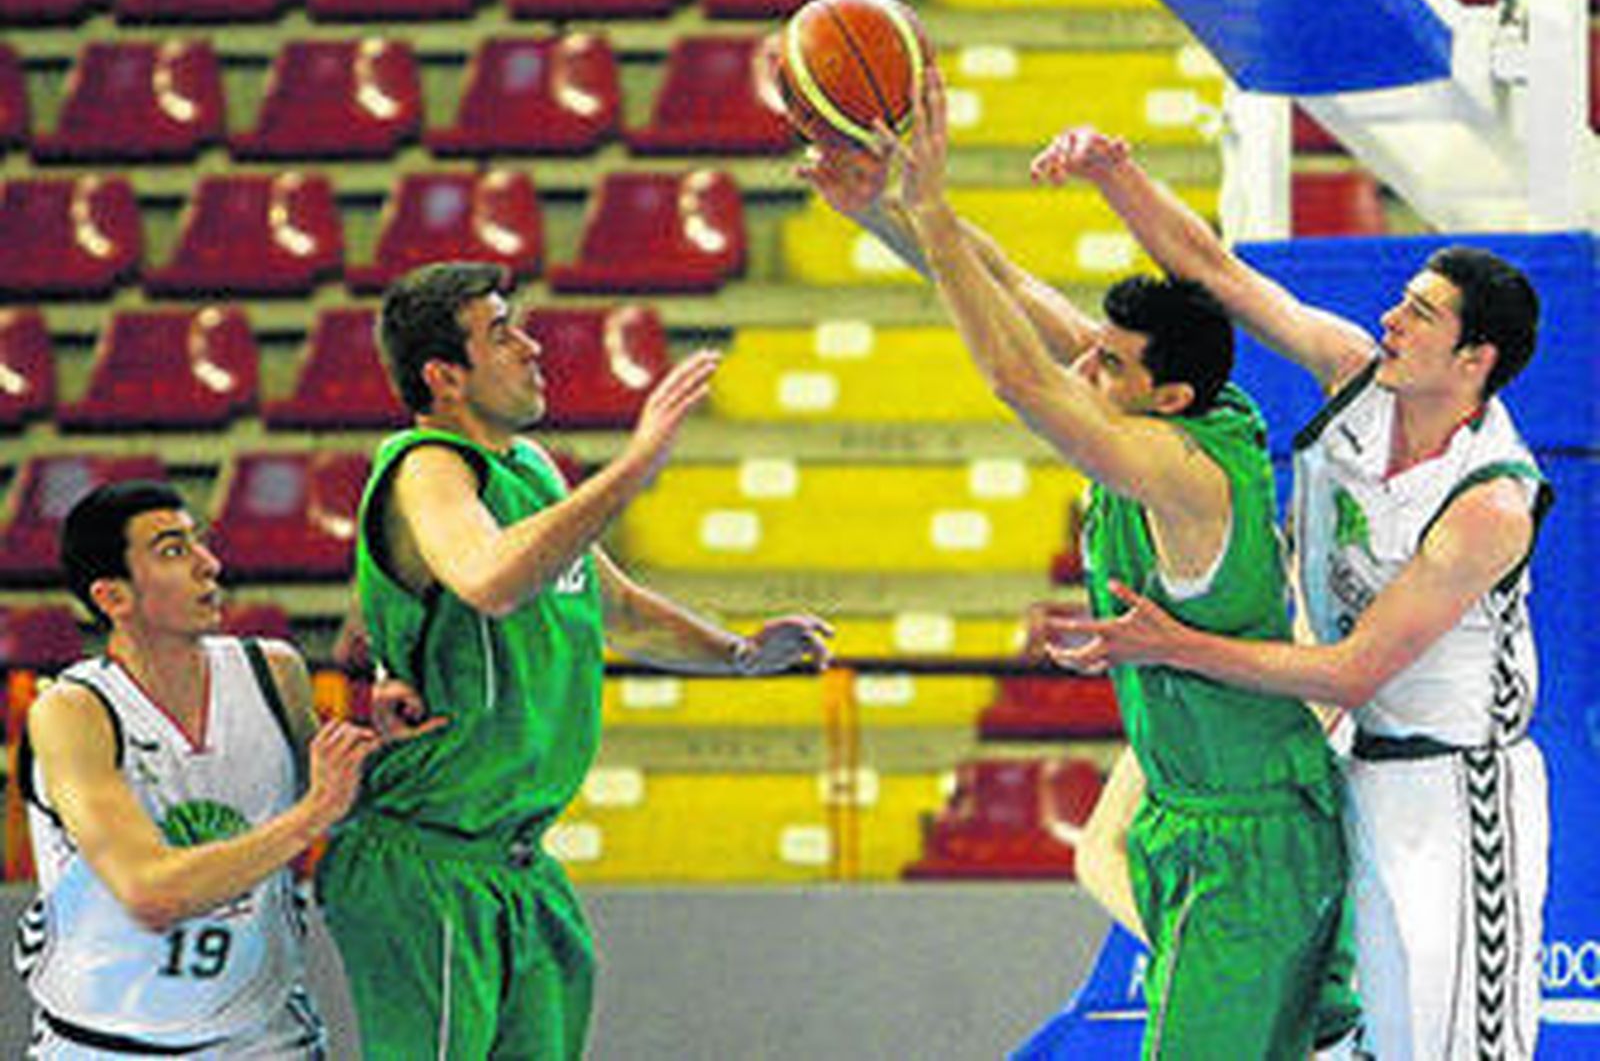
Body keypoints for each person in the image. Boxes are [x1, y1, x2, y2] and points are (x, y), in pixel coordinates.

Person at [791, 78, 1352, 1058]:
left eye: (1108, 368)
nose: (1086, 368)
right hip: (1194, 818)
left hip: (1250, 835)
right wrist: (884, 211)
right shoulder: (1171, 399)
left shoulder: (1180, 473)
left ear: (1166, 395)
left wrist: (926, 203)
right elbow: (1006, 285)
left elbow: (1016, 378)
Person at [1034, 127, 1550, 1060]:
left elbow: (1350, 671)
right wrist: (1116, 174)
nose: (1393, 318)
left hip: (1455, 786)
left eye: (1422, 314)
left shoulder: (1489, 506)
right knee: (1358, 1039)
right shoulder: (1358, 376)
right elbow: (1213, 270)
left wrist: (1174, 643)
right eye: (1402, 301)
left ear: (1474, 360)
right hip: (1352, 769)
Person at [316, 260, 834, 1060]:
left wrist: (738, 653)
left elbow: (614, 605)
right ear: (443, 376)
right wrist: (633, 470)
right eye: (501, 333)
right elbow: (489, 578)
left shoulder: (530, 468)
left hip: (519, 864)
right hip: (430, 857)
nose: (531, 346)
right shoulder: (428, 466)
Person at [16, 479, 381, 1058]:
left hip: (264, 1037)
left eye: (198, 543)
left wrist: (380, 737)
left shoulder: (273, 673)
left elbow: (345, 803)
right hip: (101, 1043)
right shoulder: (73, 712)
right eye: (172, 550)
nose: (208, 565)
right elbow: (150, 892)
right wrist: (309, 817)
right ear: (113, 597)